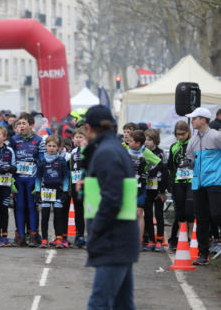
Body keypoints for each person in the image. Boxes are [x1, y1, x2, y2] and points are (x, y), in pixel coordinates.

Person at [82, 105, 139, 310]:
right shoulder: (114, 148)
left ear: (88, 128)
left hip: (113, 239)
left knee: (99, 304)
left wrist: (95, 229)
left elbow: (112, 198)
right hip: (120, 238)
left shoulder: (106, 152)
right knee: (122, 304)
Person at [185, 107, 221, 265]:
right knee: (201, 219)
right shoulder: (192, 139)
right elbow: (190, 159)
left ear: (203, 120)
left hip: (215, 181)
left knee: (216, 215)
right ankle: (202, 254)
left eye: (194, 118)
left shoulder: (216, 136)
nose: (192, 121)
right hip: (197, 183)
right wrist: (189, 163)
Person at [9, 112, 45, 247]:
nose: (21, 126)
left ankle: (33, 235)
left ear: (31, 125)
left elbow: (42, 162)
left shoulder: (39, 140)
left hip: (32, 179)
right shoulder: (14, 139)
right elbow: (10, 158)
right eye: (19, 124)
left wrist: (39, 181)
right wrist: (11, 179)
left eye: (24, 123)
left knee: (32, 207)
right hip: (18, 179)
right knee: (19, 206)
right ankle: (20, 236)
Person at [126, 130, 160, 242]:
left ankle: (138, 240)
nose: (128, 142)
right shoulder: (126, 150)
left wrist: (149, 172)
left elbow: (160, 164)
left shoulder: (146, 152)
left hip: (140, 185)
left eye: (130, 141)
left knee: (139, 212)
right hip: (127, 185)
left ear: (138, 143)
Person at [35, 135, 69, 248]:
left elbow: (65, 177)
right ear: (45, 146)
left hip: (58, 191)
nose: (51, 148)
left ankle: (58, 238)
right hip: (45, 190)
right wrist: (37, 191)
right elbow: (38, 177)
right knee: (45, 215)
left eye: (54, 146)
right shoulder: (42, 161)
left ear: (58, 147)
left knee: (58, 216)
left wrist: (65, 191)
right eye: (49, 146)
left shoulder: (62, 160)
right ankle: (44, 239)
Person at [167, 121, 195, 250]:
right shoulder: (174, 146)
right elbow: (170, 166)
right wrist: (170, 183)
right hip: (178, 182)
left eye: (183, 134)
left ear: (188, 132)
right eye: (178, 134)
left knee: (190, 211)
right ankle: (177, 240)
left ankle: (192, 239)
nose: (180, 137)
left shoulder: (193, 143)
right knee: (180, 212)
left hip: (191, 182)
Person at [143, 128, 168, 252]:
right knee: (147, 215)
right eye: (145, 140)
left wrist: (163, 191)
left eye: (149, 140)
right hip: (147, 189)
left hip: (158, 189)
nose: (146, 142)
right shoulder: (143, 153)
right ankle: (151, 240)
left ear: (155, 140)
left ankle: (159, 240)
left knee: (159, 215)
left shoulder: (160, 153)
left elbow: (164, 171)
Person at [70, 127, 88, 248]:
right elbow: (71, 168)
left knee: (90, 211)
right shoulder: (72, 152)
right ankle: (79, 235)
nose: (78, 139)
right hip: (75, 184)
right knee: (78, 211)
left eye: (81, 137)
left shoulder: (89, 151)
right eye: (76, 137)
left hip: (88, 185)